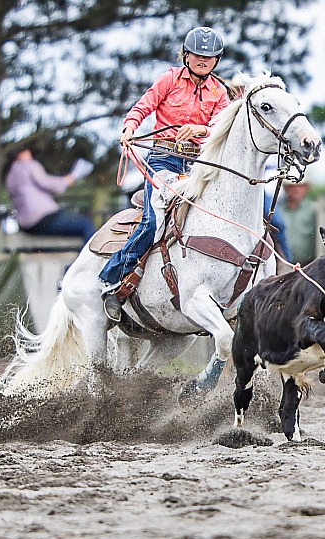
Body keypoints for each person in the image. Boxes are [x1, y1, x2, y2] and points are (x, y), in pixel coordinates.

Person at [99, 26, 230, 322]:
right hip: (163, 159)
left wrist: (201, 130)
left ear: (217, 61)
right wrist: (129, 128)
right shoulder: (169, 79)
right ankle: (111, 280)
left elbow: (222, 132)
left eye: (209, 56)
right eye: (197, 54)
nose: (203, 60)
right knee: (153, 220)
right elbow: (142, 107)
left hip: (198, 164)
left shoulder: (219, 93)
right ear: (185, 55)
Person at [5, 146, 95, 241]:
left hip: (26, 224)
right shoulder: (29, 165)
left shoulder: (10, 174)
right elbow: (45, 182)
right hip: (42, 217)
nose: (30, 156)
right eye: (27, 153)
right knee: (85, 224)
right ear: (21, 154)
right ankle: (95, 255)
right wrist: (66, 180)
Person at [280, 179, 317, 266]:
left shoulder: (314, 209)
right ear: (285, 188)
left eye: (300, 186)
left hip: (309, 264)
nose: (296, 190)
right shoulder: (277, 209)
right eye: (292, 186)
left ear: (307, 188)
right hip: (283, 265)